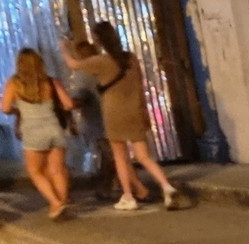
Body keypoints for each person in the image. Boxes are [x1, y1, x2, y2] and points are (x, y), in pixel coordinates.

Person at [62, 22, 180, 211]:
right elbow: (141, 88)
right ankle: (166, 186)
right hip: (134, 111)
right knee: (143, 156)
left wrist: (65, 48)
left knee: (120, 156)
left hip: (114, 113)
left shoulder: (101, 61)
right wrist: (145, 113)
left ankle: (128, 196)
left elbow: (73, 64)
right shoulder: (131, 59)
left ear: (99, 40)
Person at [1, 48, 74, 220]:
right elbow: (68, 104)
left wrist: (18, 111)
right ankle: (61, 204)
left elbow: (4, 108)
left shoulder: (14, 83)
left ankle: (55, 202)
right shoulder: (50, 81)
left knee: (34, 171)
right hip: (55, 129)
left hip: (33, 132)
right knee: (57, 170)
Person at [68, 40, 130, 202]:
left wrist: (66, 106)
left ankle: (108, 187)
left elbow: (78, 99)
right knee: (115, 155)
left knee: (109, 156)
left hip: (98, 122)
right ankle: (121, 186)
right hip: (114, 116)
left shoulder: (83, 73)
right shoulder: (109, 66)